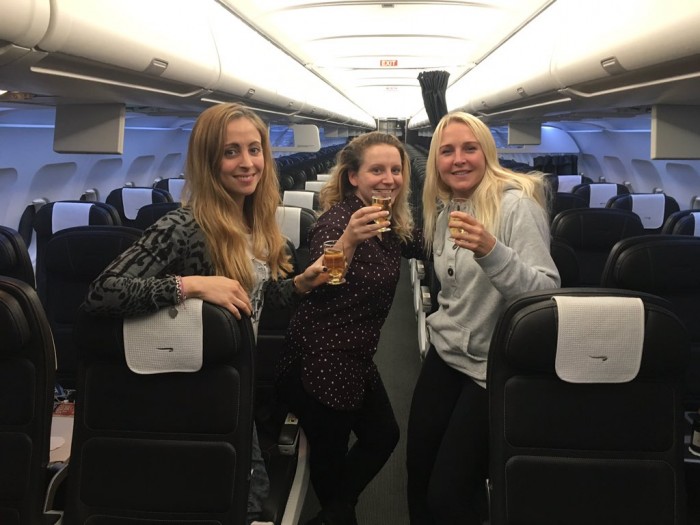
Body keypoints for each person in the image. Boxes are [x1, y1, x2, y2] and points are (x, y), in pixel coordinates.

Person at [83, 102, 330, 525]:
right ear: (207, 160)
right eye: (231, 151)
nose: (247, 162)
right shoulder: (184, 226)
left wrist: (301, 284)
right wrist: (190, 285)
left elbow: (250, 303)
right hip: (197, 391)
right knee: (244, 501)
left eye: (255, 149)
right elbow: (101, 294)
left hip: (237, 383)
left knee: (241, 497)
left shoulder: (254, 221)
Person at [406, 111, 560, 525]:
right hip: (446, 355)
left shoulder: (515, 207)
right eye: (447, 150)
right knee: (417, 472)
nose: (458, 159)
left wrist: (493, 252)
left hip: (489, 370)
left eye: (469, 148)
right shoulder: (443, 208)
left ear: (486, 153)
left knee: (450, 497)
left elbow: (545, 297)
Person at [277, 132, 424, 525]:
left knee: (382, 436)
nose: (389, 178)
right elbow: (325, 271)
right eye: (377, 169)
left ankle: (334, 513)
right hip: (319, 362)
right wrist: (348, 241)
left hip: (354, 357)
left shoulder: (386, 219)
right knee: (333, 472)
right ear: (353, 177)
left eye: (396, 169)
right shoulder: (340, 220)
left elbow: (421, 244)